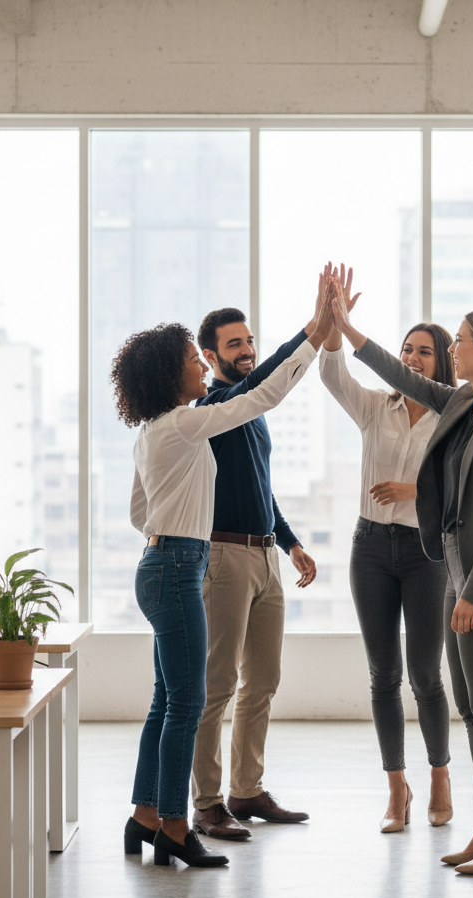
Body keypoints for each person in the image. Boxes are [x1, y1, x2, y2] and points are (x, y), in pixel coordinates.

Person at [114, 276, 333, 867]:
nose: (198, 367)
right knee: (190, 701)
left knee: (168, 700)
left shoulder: (153, 431)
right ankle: (181, 826)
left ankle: (145, 815)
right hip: (184, 565)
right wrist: (314, 335)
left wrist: (170, 532)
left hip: (163, 562)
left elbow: (139, 513)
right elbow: (262, 395)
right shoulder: (188, 422)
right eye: (192, 358)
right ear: (178, 371)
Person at [330, 272, 473, 876]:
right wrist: (347, 331)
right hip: (457, 571)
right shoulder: (468, 401)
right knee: (471, 709)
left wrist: (472, 593)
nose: (452, 349)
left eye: (462, 340)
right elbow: (404, 378)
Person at [188, 276, 332, 841]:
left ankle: (246, 790)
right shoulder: (215, 406)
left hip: (265, 557)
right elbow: (273, 375)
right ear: (209, 355)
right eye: (234, 345)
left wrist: (290, 541)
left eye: (250, 341)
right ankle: (207, 801)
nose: (246, 351)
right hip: (223, 558)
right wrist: (313, 328)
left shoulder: (255, 414)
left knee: (263, 680)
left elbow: (261, 487)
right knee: (217, 684)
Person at [319, 299, 457, 833]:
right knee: (383, 674)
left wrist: (413, 490)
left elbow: (465, 492)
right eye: (406, 349)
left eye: (424, 352)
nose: (413, 357)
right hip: (370, 547)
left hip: (428, 552)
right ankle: (396, 787)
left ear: (442, 364)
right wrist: (334, 330)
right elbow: (334, 374)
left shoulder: (455, 416)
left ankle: (440, 774)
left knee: (425, 674)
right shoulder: (376, 406)